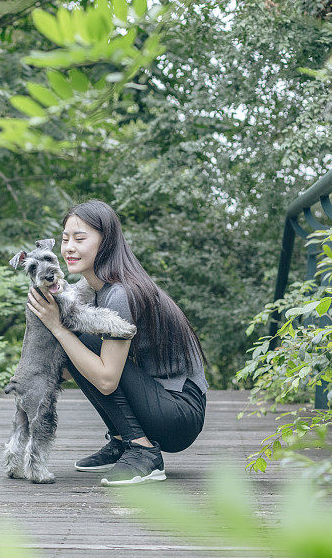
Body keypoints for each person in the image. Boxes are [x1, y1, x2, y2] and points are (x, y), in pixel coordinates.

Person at [25, 199, 209, 486]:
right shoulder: (92, 290)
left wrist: (57, 327)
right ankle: (123, 442)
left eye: (80, 239)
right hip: (160, 404)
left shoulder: (119, 293)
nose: (69, 247)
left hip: (179, 414)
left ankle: (143, 451)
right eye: (64, 239)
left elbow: (107, 379)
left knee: (74, 339)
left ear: (107, 242)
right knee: (74, 345)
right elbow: (70, 367)